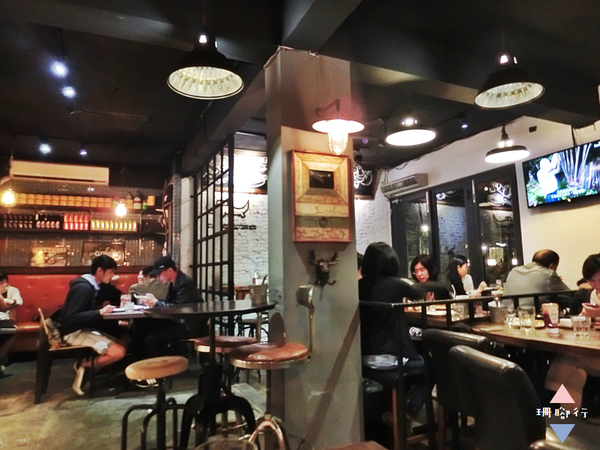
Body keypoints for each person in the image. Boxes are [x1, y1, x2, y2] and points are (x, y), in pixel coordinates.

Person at [358, 242, 424, 418]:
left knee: (417, 358)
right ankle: (408, 412)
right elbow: (419, 293)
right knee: (433, 366)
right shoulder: (395, 284)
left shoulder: (359, 285)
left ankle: (393, 410)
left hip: (363, 357)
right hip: (390, 358)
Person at [58, 255, 126, 396]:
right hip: (73, 332)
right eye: (111, 272)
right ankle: (83, 366)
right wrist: (100, 312)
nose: (113, 276)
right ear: (100, 270)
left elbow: (83, 310)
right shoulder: (83, 288)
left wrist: (99, 308)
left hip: (81, 329)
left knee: (122, 344)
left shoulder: (91, 286)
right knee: (118, 352)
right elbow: (72, 316)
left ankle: (87, 373)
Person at [546, 253, 600, 408]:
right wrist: (583, 317)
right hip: (587, 350)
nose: (597, 285)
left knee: (570, 355)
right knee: (577, 373)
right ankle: (567, 419)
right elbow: (572, 322)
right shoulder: (584, 296)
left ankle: (548, 394)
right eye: (592, 280)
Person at [136, 256, 203, 358]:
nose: (158, 277)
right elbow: (170, 303)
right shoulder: (174, 282)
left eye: (159, 274)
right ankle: (141, 362)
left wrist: (156, 302)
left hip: (188, 325)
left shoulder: (184, 283)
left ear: (170, 270)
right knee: (141, 325)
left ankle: (159, 366)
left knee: (152, 338)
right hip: (179, 321)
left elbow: (178, 308)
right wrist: (154, 302)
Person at [503, 249, 570, 307]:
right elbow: (570, 297)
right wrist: (556, 281)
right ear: (551, 266)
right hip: (533, 314)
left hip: (508, 313)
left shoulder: (514, 271)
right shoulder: (549, 274)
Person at [0, 270, 22, 375]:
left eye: (1, 283)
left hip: (6, 319)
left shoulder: (12, 290)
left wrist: (12, 301)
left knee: (14, 330)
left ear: (6, 282)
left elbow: (19, 300)